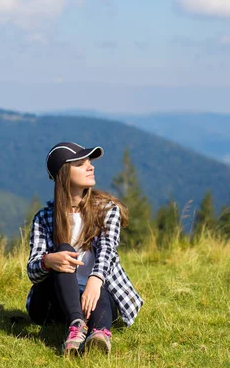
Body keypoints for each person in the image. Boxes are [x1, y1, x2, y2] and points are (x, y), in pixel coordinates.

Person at [25, 142, 143, 356]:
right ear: (63, 174)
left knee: (102, 293)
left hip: (99, 294)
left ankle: (99, 335)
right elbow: (32, 272)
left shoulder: (106, 210)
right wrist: (48, 261)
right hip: (55, 301)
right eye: (81, 164)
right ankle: (77, 325)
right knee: (63, 249)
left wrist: (95, 280)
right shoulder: (44, 218)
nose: (90, 167)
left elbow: (108, 251)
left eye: (90, 162)